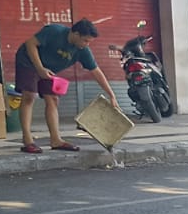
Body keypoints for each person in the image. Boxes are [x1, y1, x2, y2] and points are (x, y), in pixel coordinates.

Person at [13, 18, 118, 153]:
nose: (86, 44)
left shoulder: (82, 50)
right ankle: (28, 140)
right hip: (28, 61)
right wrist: (39, 68)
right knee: (29, 96)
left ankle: (56, 140)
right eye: (85, 40)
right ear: (75, 34)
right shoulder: (54, 31)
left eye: (89, 42)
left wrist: (112, 95)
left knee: (53, 99)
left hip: (48, 68)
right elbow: (30, 43)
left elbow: (96, 72)